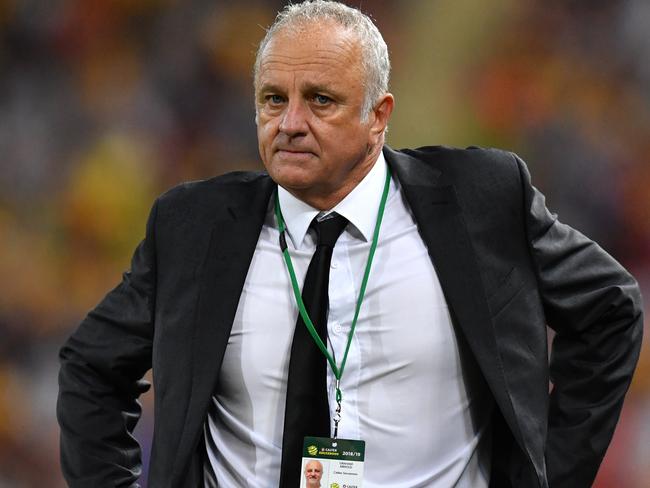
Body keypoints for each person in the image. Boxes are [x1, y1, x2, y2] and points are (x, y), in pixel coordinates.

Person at [57, 1, 643, 487]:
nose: (288, 122)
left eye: (320, 100)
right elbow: (90, 368)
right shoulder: (193, 226)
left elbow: (611, 309)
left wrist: (552, 477)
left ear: (378, 115)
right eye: (272, 99)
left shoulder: (480, 202)